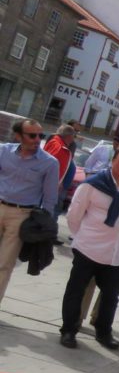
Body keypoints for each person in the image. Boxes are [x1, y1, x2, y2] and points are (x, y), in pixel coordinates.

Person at [58, 143, 119, 350]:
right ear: (113, 161)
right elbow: (74, 216)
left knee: (111, 296)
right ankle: (69, 330)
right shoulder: (92, 184)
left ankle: (104, 332)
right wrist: (83, 237)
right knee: (76, 291)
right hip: (89, 248)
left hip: (115, 253)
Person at [0, 119, 59, 306]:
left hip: (21, 215)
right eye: (32, 135)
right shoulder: (3, 151)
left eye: (40, 135)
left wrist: (43, 225)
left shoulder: (49, 163)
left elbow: (50, 198)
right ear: (18, 136)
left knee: (4, 264)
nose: (37, 139)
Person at [43, 125, 75, 225]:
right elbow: (52, 168)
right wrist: (56, 184)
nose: (73, 139)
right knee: (48, 215)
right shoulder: (61, 148)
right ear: (69, 136)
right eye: (74, 136)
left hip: (52, 188)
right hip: (51, 190)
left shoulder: (55, 142)